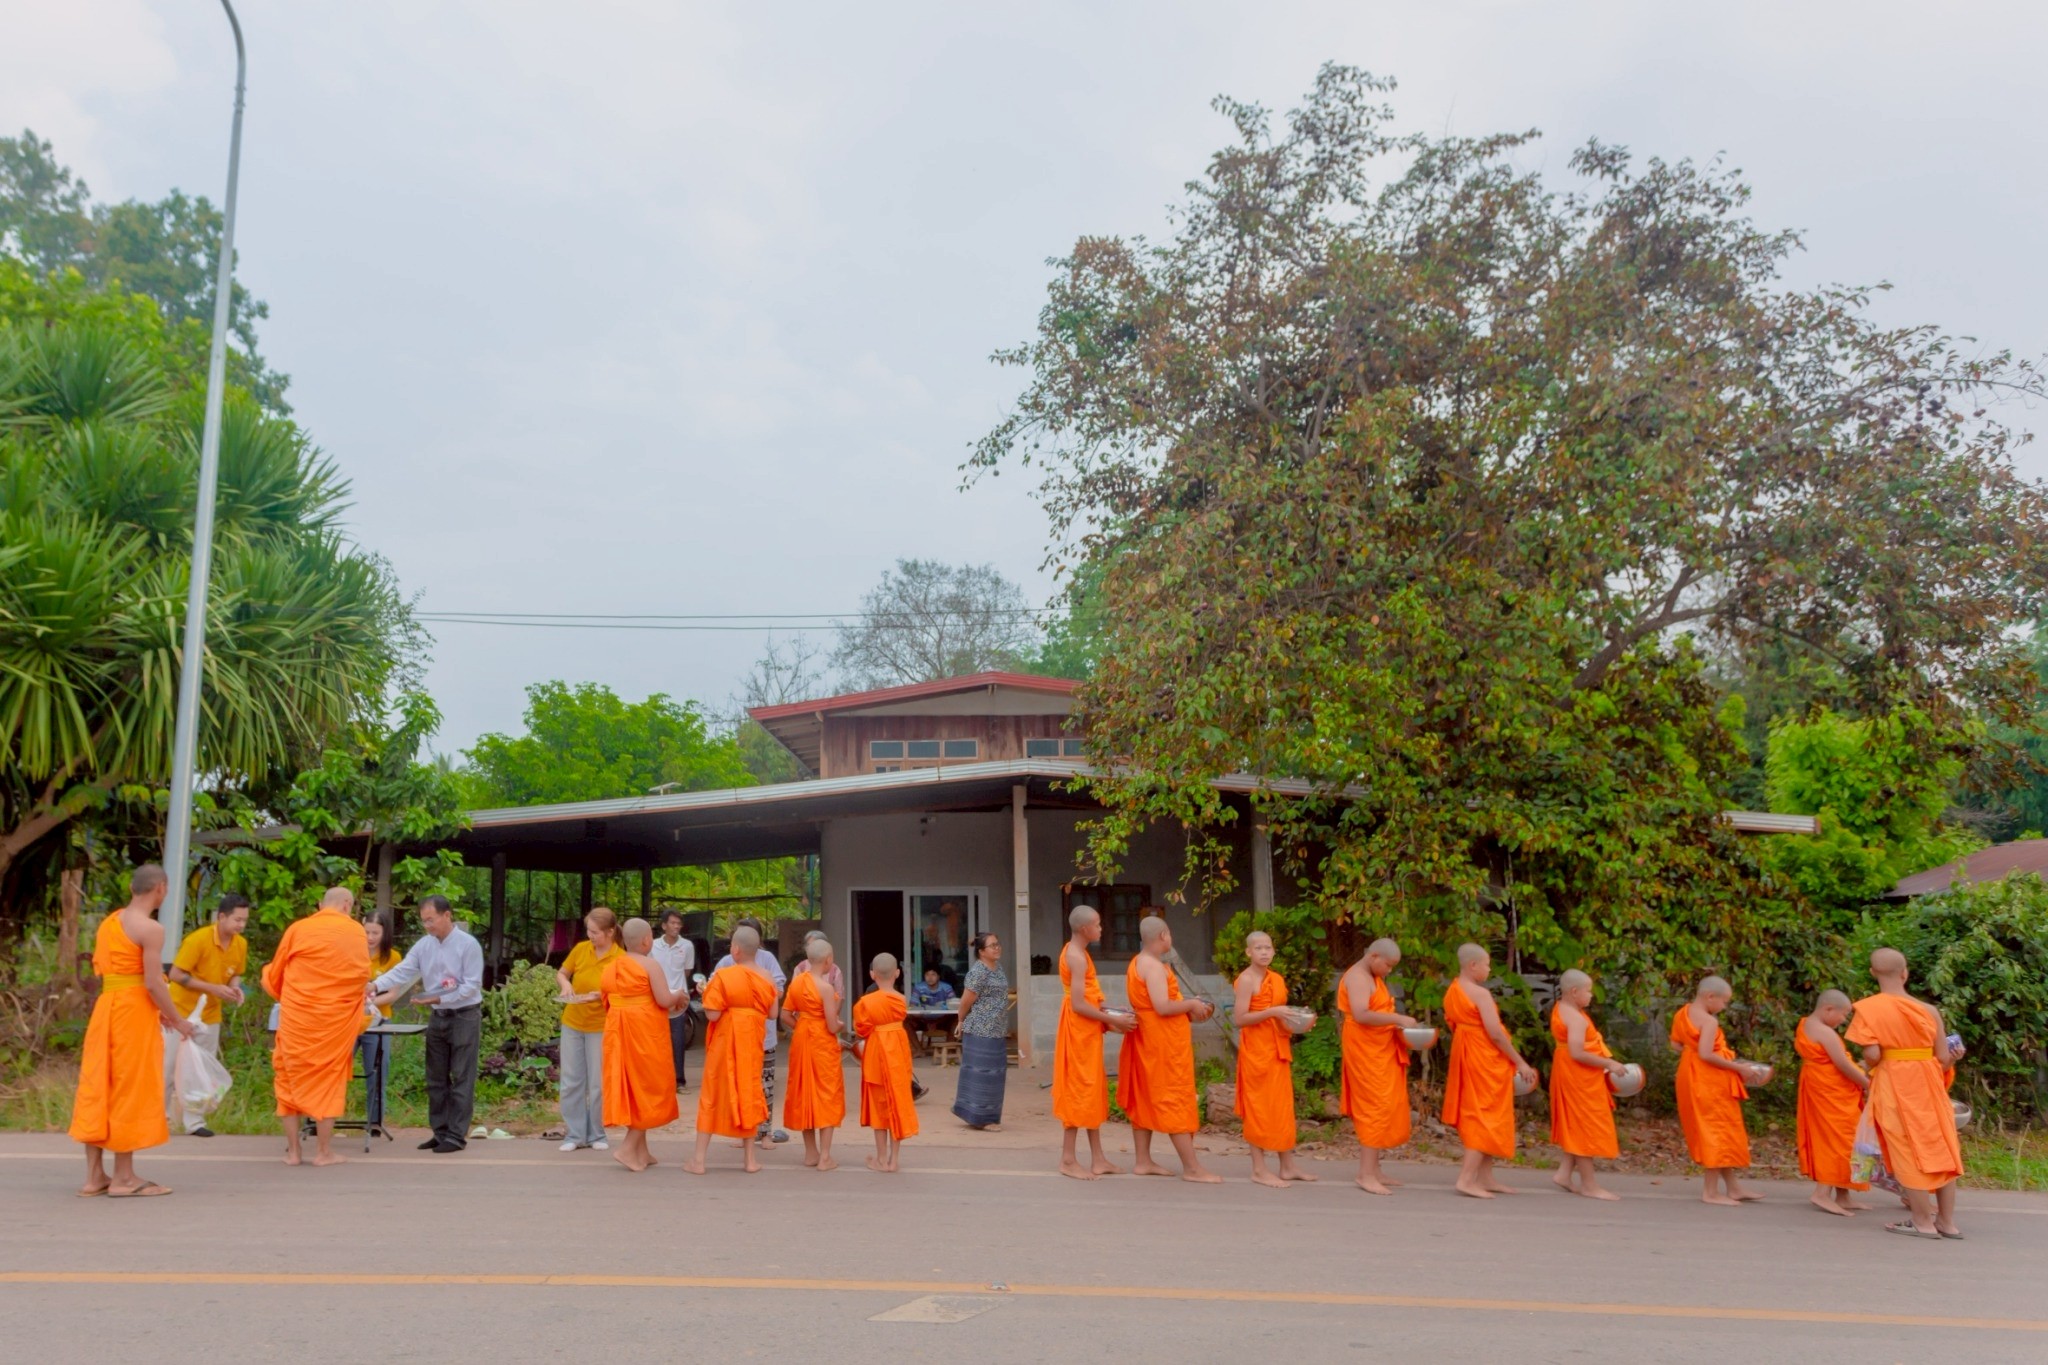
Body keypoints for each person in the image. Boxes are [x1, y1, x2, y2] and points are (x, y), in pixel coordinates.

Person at [71, 865, 195, 1198]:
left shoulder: (110, 923)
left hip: (106, 1007)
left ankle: (95, 1176)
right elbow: (153, 982)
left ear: (130, 886)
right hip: (132, 1013)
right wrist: (177, 1019)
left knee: (101, 1084)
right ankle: (124, 1178)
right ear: (162, 889)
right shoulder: (150, 928)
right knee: (130, 1085)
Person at [1847, 948, 1965, 1240]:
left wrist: (1879, 1056)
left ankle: (1922, 1221)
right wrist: (1955, 1057)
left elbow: (1873, 1055)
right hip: (1928, 1081)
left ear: (1873, 973)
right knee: (1941, 1145)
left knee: (1906, 1149)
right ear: (1905, 973)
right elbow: (1942, 1057)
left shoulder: (1869, 1008)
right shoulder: (1929, 1011)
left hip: (1895, 1082)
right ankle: (1947, 1223)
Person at [262, 886, 373, 1167]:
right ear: (347, 905)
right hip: (334, 1021)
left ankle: (294, 1152)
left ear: (321, 904)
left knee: (288, 1078)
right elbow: (361, 976)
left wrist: (290, 995)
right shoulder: (356, 932)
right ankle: (324, 1152)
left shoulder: (298, 929)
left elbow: (275, 974)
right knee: (328, 1079)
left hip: (298, 1019)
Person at [371, 895, 485, 1153]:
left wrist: (438, 996)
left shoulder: (468, 945)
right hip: (438, 1016)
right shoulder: (424, 945)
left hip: (464, 1014)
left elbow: (471, 986)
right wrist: (375, 985)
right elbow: (404, 970)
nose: (427, 926)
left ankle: (456, 1136)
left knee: (461, 1076)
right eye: (424, 921)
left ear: (447, 915)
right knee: (435, 1077)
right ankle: (440, 1131)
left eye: (431, 920)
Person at [1120, 916, 1221, 1183]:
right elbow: (1163, 1007)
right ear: (1164, 935)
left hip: (1148, 1038)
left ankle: (1143, 1161)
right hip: (1161, 1043)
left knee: (1145, 1095)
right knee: (1173, 1098)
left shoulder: (1137, 963)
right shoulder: (1152, 966)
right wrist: (1191, 1004)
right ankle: (1192, 1168)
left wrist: (1188, 1005)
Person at [1442, 943, 1540, 1199]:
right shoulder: (1479, 994)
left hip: (1466, 1054)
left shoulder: (1453, 989)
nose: (1489, 969)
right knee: (1483, 1115)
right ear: (1473, 965)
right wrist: (1519, 1061)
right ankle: (1466, 1179)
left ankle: (1485, 1177)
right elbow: (1495, 1033)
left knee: (1484, 1111)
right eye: (1486, 964)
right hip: (1483, 1057)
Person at [685, 924, 779, 1174]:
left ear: (735, 950)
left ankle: (699, 1160)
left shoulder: (724, 976)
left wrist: (711, 997)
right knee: (749, 1092)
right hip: (752, 1044)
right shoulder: (767, 977)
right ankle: (750, 1160)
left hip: (725, 1043)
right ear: (757, 949)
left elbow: (713, 1015)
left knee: (712, 1093)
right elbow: (773, 1013)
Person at [1054, 905, 1134, 1180]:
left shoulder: (1079, 952)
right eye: (1098, 924)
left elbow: (1087, 998)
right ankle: (1067, 1159)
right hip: (1079, 1030)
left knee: (1091, 1092)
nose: (1102, 929)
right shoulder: (1076, 956)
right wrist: (1114, 1020)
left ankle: (1098, 1158)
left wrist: (1110, 1014)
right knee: (1079, 1090)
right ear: (1084, 928)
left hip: (1086, 1030)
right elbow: (1078, 1004)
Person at [1671, 975, 1766, 1206]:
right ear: (1710, 996)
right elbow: (1706, 1054)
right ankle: (1710, 1192)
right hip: (1708, 1079)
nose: (1724, 1007)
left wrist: (1691, 1052)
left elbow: (1675, 1045)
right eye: (1723, 1002)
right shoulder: (1709, 1021)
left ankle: (1733, 1187)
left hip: (1688, 1073)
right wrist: (1738, 1068)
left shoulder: (1682, 1012)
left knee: (1715, 1129)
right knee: (1715, 1131)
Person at [163, 891, 250, 1138]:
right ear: (221, 917)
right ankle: (161, 1119)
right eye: (237, 920)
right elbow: (176, 975)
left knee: (201, 1069)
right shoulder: (198, 940)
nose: (241, 925)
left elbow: (236, 973)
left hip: (210, 1015)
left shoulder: (240, 944)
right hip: (179, 1011)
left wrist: (234, 989)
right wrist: (213, 988)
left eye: (244, 921)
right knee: (167, 1067)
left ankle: (194, 1122)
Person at [600, 918, 684, 1173]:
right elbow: (663, 999)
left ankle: (642, 1150)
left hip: (618, 1033)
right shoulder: (649, 965)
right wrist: (679, 996)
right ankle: (627, 1148)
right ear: (647, 941)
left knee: (634, 1088)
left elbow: (606, 999)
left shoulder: (612, 966)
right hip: (644, 1034)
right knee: (649, 1087)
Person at [1231, 930, 1312, 1188]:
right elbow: (1240, 1019)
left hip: (1277, 1047)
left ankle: (1287, 1166)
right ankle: (1258, 1168)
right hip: (1257, 1052)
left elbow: (1280, 1015)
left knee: (1281, 1107)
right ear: (1248, 952)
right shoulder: (1246, 980)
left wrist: (1297, 1021)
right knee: (1258, 1108)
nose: (1264, 952)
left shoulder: (1276, 979)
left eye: (1268, 947)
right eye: (1259, 948)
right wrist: (1272, 1012)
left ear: (1274, 951)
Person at [1337, 937, 1416, 1195]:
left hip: (1380, 1048)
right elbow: (1361, 1014)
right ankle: (1365, 1174)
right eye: (1389, 965)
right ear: (1374, 957)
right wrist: (1397, 1018)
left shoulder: (1374, 977)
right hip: (1365, 1050)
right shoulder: (1358, 977)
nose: (1389, 971)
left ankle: (1376, 1169)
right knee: (1373, 1106)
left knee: (1385, 1105)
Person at [1548, 969, 1629, 1200]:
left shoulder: (1563, 1009)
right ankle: (1589, 1185)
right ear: (1574, 992)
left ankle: (1564, 1173)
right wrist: (1609, 1063)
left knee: (1576, 1122)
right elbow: (1576, 1052)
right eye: (1589, 992)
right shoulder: (1574, 1017)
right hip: (1577, 1074)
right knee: (1583, 1126)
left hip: (1571, 1071)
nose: (1591, 996)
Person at [713, 918, 790, 1145]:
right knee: (739, 1085)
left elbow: (778, 990)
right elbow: (713, 986)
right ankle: (743, 1131)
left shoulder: (767, 960)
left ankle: (765, 1133)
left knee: (764, 1085)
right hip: (735, 1036)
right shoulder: (727, 962)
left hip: (763, 1035)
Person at [1795, 988, 1871, 1218]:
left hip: (1822, 1086)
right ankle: (1822, 1192)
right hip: (1829, 1090)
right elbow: (1844, 1065)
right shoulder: (1825, 1033)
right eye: (1843, 1014)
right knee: (1841, 1138)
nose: (1844, 1020)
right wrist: (1868, 1084)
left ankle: (1843, 1195)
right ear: (1828, 1009)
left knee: (1841, 1136)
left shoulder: (1806, 1024)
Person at [554, 907, 622, 1153]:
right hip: (573, 1020)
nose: (590, 936)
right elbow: (562, 973)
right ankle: (574, 1134)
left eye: (595, 932)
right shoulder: (581, 949)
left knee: (598, 1082)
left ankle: (597, 1133)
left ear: (610, 932)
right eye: (588, 931)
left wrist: (601, 995)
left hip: (601, 1025)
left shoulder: (620, 958)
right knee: (571, 1080)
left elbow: (623, 993)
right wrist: (565, 987)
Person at [781, 936, 846, 1171]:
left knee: (804, 1091)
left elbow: (785, 1014)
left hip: (802, 1039)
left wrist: (802, 1025)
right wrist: (841, 1025)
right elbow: (831, 1025)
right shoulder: (826, 988)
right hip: (821, 1042)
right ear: (828, 961)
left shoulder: (798, 983)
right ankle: (825, 1156)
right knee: (826, 1093)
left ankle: (811, 1153)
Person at [854, 952, 918, 1172]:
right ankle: (894, 1160)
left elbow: (861, 1029)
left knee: (879, 1105)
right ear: (897, 973)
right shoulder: (902, 999)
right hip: (898, 1053)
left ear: (872, 974)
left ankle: (881, 1159)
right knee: (896, 1102)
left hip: (876, 1052)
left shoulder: (865, 1003)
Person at [950, 931, 1010, 1130]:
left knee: (996, 1074)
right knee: (981, 1074)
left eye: (997, 944)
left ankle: (987, 1115)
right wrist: (960, 1021)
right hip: (980, 1030)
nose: (997, 947)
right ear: (982, 951)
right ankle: (981, 1118)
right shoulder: (978, 971)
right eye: (992, 945)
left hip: (997, 1029)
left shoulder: (997, 968)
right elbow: (966, 1000)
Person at [356, 912, 402, 1138]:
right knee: (332, 1068)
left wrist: (370, 1001)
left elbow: (393, 994)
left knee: (377, 1072)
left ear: (385, 934)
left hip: (378, 1021)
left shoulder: (392, 957)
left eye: (376, 933)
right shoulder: (352, 952)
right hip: (351, 1020)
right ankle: (320, 1118)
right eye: (367, 932)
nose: (371, 937)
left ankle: (374, 1123)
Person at [648, 910, 696, 1090]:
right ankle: (660, 1081)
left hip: (679, 1002)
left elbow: (687, 972)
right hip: (657, 999)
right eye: (673, 923)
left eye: (679, 924)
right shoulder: (652, 946)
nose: (676, 926)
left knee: (678, 1040)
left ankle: (679, 1080)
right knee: (657, 1041)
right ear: (664, 926)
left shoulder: (687, 946)